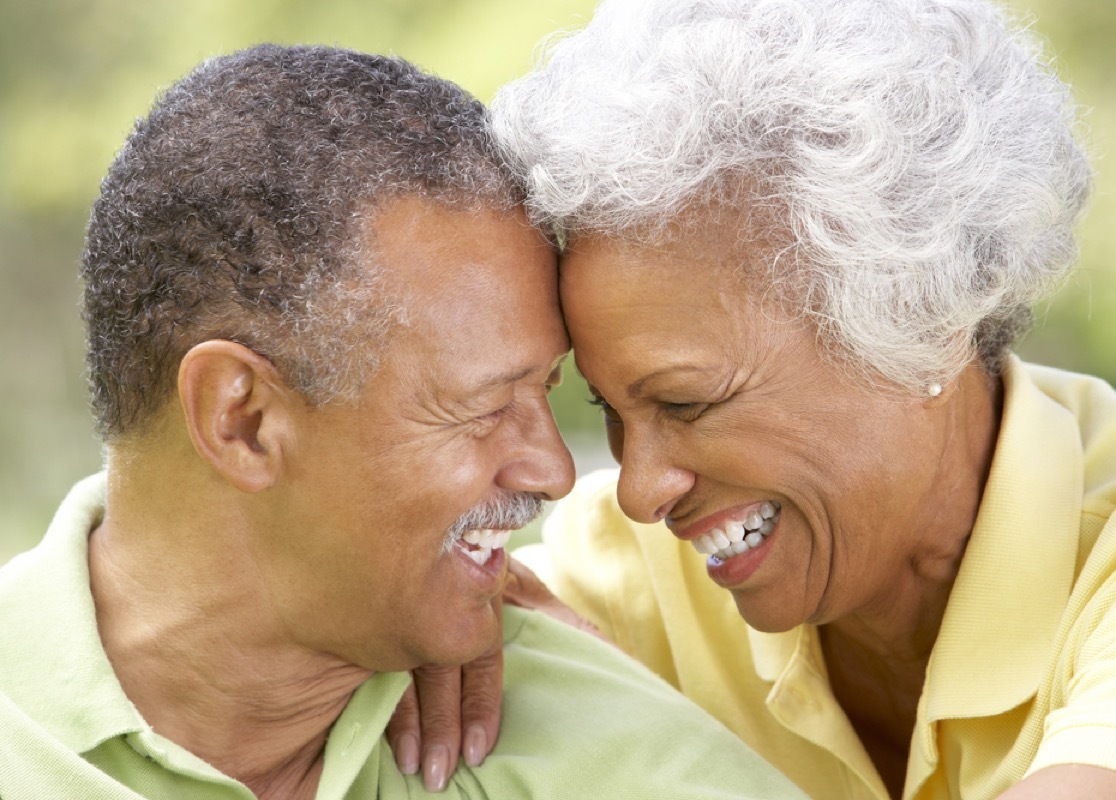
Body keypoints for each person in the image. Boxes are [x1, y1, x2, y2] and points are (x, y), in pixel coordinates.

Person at [0, 44, 813, 800]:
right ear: (241, 420)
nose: (555, 473)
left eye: (551, 391)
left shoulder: (625, 763)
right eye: (486, 406)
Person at [484, 0, 1116, 798]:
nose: (641, 492)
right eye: (611, 414)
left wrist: (649, 751)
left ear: (917, 317)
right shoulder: (621, 574)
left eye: (685, 404)